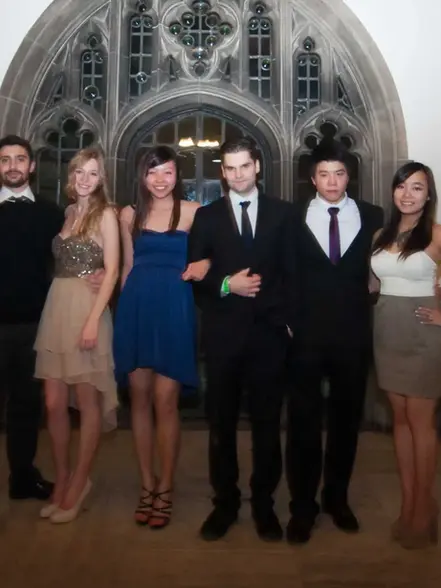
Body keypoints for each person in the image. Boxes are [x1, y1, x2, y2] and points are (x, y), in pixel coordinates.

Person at [188, 137, 296, 542]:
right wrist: (225, 285)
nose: (237, 175)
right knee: (222, 425)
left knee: (267, 426)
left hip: (269, 337)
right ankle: (225, 504)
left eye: (244, 166)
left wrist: (288, 323)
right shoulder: (207, 217)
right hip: (223, 337)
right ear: (222, 171)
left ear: (257, 167)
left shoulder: (283, 214)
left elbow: (293, 274)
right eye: (230, 168)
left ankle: (264, 505)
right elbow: (196, 276)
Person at [285, 138, 383, 544]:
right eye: (324, 174)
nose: (331, 181)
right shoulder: (292, 216)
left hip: (352, 335)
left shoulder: (374, 216)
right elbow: (283, 272)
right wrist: (288, 322)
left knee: (346, 422)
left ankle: (336, 498)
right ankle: (302, 506)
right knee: (303, 424)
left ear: (349, 176)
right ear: (313, 178)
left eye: (339, 173)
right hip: (304, 336)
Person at [113, 146, 208, 529]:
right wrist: (120, 317)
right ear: (143, 176)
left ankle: (165, 488)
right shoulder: (128, 214)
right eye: (153, 172)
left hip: (174, 310)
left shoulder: (194, 212)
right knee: (138, 400)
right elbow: (126, 267)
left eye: (167, 172)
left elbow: (213, 255)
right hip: (136, 309)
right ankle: (147, 485)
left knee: (165, 401)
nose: (160, 180)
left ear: (177, 175)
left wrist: (207, 263)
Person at [34, 146, 119, 523]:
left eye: (93, 173)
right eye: (80, 172)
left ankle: (80, 482)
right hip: (56, 309)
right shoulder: (68, 213)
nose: (85, 179)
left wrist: (92, 321)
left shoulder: (107, 214)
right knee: (53, 403)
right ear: (72, 176)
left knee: (87, 403)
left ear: (101, 179)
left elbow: (112, 270)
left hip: (87, 311)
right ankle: (63, 478)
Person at [371, 161, 441, 549]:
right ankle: (410, 502)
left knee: (421, 423)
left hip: (424, 337)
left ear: (428, 196)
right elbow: (372, 284)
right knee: (399, 421)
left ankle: (423, 509)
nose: (408, 194)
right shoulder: (380, 236)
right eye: (402, 186)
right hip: (387, 333)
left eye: (417, 187)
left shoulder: (437, 234)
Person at [0, 135, 64, 500]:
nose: (13, 166)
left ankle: (22, 478)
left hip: (33, 327)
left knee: (26, 407)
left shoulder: (51, 213)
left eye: (19, 159)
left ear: (32, 166)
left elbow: (69, 261)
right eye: (5, 159)